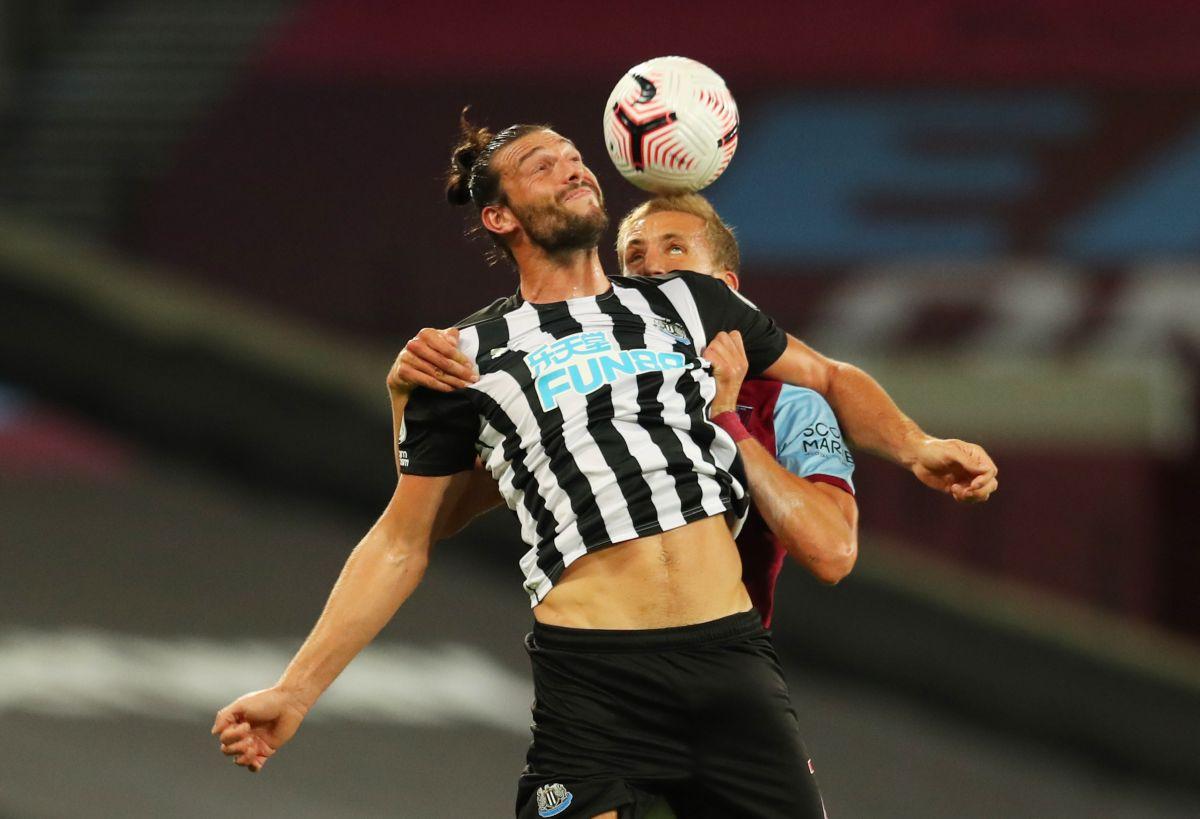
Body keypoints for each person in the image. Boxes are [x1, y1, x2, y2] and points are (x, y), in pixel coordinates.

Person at [213, 115, 997, 819]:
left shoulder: (686, 304)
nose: (575, 168)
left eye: (576, 157)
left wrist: (917, 443)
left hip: (729, 665)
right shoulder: (462, 358)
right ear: (500, 216)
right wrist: (296, 688)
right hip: (595, 683)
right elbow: (405, 536)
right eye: (542, 165)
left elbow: (829, 375)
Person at [400, 192, 868, 626]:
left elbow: (832, 554)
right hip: (596, 651)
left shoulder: (789, 405)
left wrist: (726, 418)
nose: (652, 270)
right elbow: (433, 520)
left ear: (726, 292)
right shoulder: (573, 385)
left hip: (721, 664)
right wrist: (408, 400)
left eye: (676, 252)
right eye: (635, 257)